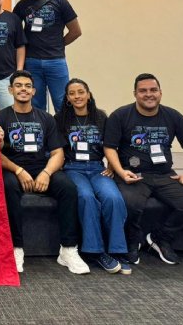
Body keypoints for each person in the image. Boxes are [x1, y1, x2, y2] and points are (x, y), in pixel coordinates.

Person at [0, 70, 89, 275]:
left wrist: (46, 173)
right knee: (7, 186)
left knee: (68, 188)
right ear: (10, 90)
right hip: (13, 167)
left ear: (34, 91)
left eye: (28, 86)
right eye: (18, 85)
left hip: (41, 167)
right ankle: (16, 248)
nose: (23, 89)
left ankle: (68, 249)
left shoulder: (46, 118)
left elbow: (58, 153)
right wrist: (18, 170)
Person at [104, 73, 183, 265]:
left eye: (153, 90)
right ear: (135, 93)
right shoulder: (121, 115)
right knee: (128, 204)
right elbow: (109, 147)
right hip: (134, 175)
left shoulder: (172, 116)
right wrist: (120, 171)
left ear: (160, 93)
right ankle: (132, 241)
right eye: (143, 91)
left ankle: (160, 238)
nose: (148, 94)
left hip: (164, 175)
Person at [55, 79, 130, 274]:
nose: (77, 96)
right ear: (67, 98)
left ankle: (117, 250)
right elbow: (57, 149)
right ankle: (95, 251)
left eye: (81, 92)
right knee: (86, 197)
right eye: (72, 93)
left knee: (113, 197)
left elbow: (111, 144)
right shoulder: (60, 119)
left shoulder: (101, 117)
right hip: (72, 168)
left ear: (88, 95)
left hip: (98, 168)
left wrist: (112, 166)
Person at [12, 0, 81, 112]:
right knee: (36, 104)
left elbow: (76, 31)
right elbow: (14, 32)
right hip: (31, 62)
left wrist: (59, 44)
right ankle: (42, 128)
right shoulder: (22, 5)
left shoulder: (60, 2)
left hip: (56, 61)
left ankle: (63, 128)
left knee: (63, 103)